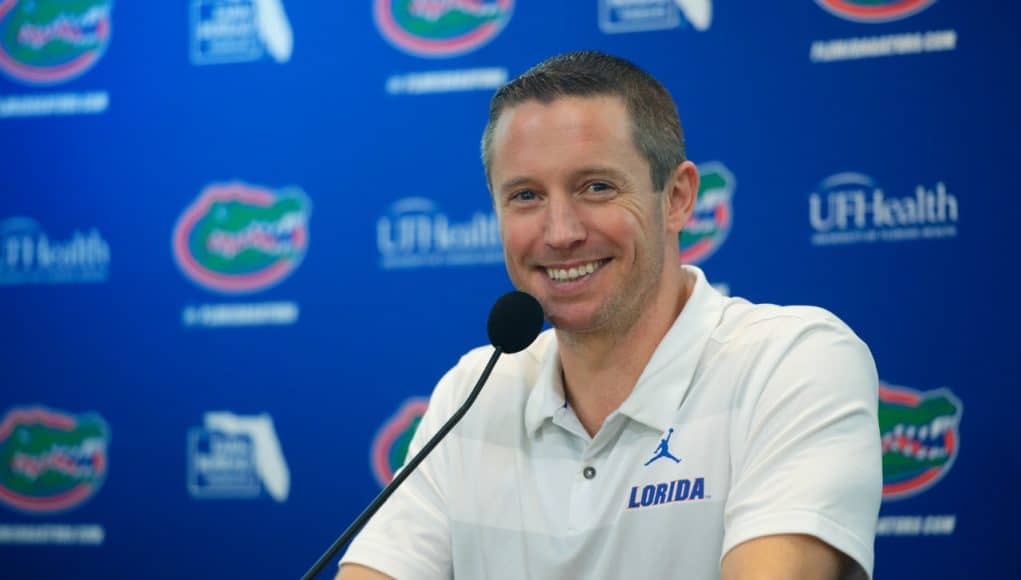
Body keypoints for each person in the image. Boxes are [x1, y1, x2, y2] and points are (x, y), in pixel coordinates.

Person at [338, 51, 881, 580]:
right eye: (526, 196)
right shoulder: (471, 394)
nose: (560, 232)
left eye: (596, 187)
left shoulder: (792, 363)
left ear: (677, 197)